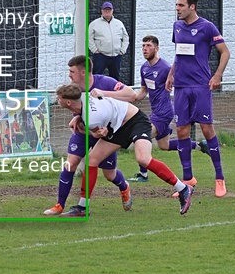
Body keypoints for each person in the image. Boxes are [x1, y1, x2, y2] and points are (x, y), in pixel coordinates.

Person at [56, 83, 194, 215]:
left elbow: (96, 133)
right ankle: (82, 207)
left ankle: (182, 188)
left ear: (68, 102)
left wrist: (87, 125)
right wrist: (79, 117)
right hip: (118, 127)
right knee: (92, 161)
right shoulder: (83, 96)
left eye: (59, 98)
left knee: (143, 159)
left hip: (135, 121)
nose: (57, 100)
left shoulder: (92, 118)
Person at [44, 55, 137, 217]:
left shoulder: (104, 82)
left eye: (72, 71)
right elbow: (79, 108)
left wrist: (104, 94)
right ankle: (60, 205)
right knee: (70, 164)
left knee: (109, 174)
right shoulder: (73, 89)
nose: (69, 75)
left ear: (83, 72)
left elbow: (131, 94)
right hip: (84, 130)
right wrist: (77, 117)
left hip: (106, 134)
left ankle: (124, 186)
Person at [166, 0, 231, 197]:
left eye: (181, 6)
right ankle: (187, 180)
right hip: (181, 88)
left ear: (192, 6)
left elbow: (225, 52)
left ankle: (219, 178)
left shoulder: (206, 27)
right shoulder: (177, 26)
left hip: (201, 86)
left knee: (207, 130)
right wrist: (171, 74)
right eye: (176, 5)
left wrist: (217, 75)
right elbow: (179, 54)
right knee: (182, 131)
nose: (177, 9)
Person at [130, 35, 206, 182]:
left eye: (148, 46)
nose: (145, 49)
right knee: (164, 145)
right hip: (156, 112)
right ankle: (200, 146)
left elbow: (181, 84)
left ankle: (143, 174)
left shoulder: (165, 68)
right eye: (143, 46)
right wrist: (129, 96)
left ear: (157, 48)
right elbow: (143, 92)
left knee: (140, 137)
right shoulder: (144, 68)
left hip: (164, 113)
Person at [89, 1, 129, 81]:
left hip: (116, 56)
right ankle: (94, 93)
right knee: (96, 77)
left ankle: (114, 93)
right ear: (102, 11)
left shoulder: (119, 23)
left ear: (112, 11)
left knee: (115, 79)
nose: (107, 12)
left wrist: (123, 50)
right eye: (105, 10)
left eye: (109, 10)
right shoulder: (94, 24)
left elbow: (126, 37)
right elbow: (89, 38)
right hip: (101, 56)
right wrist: (94, 50)